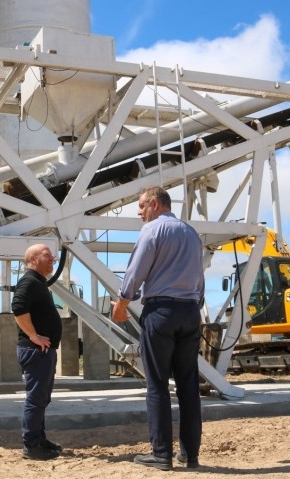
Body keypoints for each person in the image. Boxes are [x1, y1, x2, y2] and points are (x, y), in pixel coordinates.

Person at [112, 186, 205, 470]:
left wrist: (122, 302)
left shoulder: (152, 231)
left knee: (157, 384)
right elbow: (200, 277)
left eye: (141, 206)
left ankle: (161, 454)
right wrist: (196, 306)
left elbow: (136, 270)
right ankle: (190, 454)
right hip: (190, 311)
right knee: (188, 385)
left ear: (154, 204)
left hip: (161, 312)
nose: (139, 212)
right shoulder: (191, 233)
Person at [11, 243, 63, 461]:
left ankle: (40, 440)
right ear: (33, 260)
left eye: (52, 255)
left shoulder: (38, 282)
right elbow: (18, 307)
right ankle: (31, 445)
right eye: (46, 255)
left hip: (42, 351)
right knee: (36, 399)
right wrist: (33, 335)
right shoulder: (29, 281)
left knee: (41, 399)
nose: (52, 259)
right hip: (35, 350)